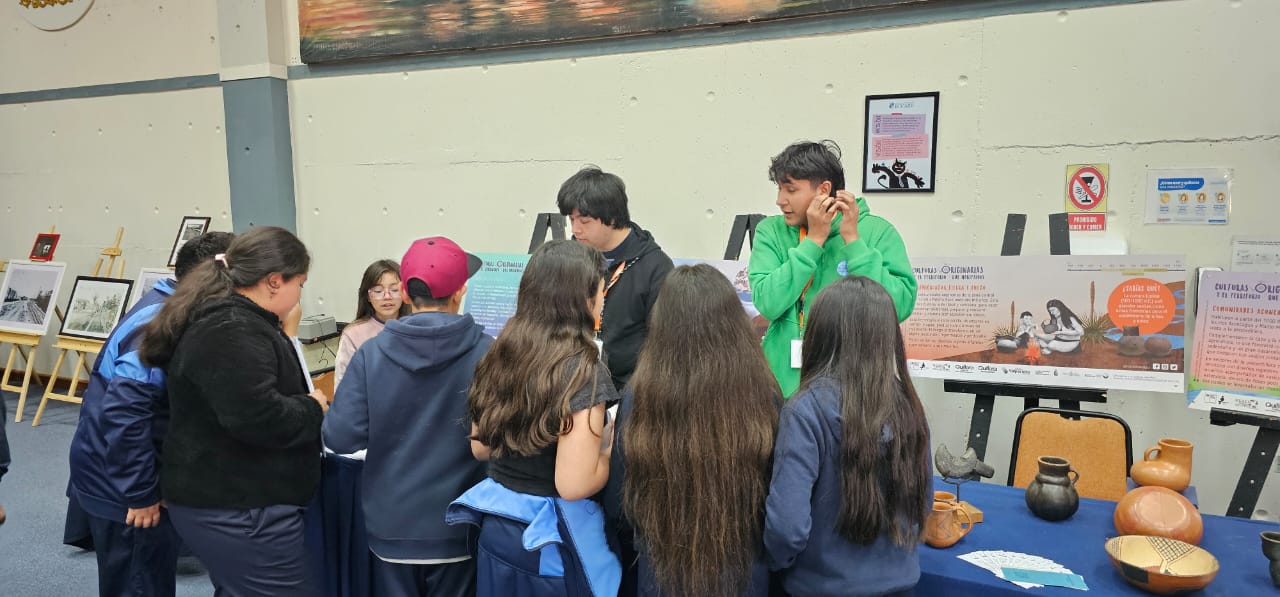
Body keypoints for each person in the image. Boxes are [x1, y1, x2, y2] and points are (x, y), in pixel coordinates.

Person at [139, 226, 329, 597]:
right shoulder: (231, 329)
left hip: (233, 502)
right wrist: (311, 406)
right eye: (300, 284)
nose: (301, 294)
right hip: (240, 508)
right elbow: (258, 417)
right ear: (274, 281)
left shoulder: (236, 320)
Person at [447, 240, 620, 597]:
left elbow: (481, 447)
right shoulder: (582, 370)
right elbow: (573, 483)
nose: (603, 300)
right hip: (549, 540)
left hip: (496, 528)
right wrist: (612, 448)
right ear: (584, 299)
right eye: (601, 291)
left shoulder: (500, 350)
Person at [65, 231, 233, 596]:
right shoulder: (160, 321)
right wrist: (140, 493)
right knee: (139, 584)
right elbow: (125, 415)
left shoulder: (172, 305)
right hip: (124, 487)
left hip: (127, 475)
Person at [323, 237, 491, 597]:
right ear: (461, 291)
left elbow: (339, 438)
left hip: (390, 526)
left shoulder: (370, 353)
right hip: (461, 525)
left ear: (404, 292)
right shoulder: (489, 353)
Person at [604, 264, 780, 597]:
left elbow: (619, 504)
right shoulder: (764, 397)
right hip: (745, 574)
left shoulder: (638, 398)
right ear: (735, 324)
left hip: (660, 572)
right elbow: (778, 497)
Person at [765, 276, 931, 596]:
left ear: (820, 334)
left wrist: (777, 564)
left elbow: (787, 528)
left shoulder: (805, 410)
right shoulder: (908, 406)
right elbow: (921, 507)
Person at [748, 140, 918, 397]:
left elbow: (899, 307)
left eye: (790, 190)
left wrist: (853, 242)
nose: (780, 201)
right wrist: (813, 242)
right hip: (781, 389)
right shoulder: (771, 232)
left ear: (823, 190)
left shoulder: (877, 232)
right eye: (779, 189)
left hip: (854, 394)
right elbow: (768, 302)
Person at [556, 166, 674, 391]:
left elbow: (661, 345)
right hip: (574, 385)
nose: (575, 229)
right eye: (571, 220)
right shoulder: (572, 259)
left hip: (631, 392)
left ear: (610, 218)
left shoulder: (655, 267)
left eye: (584, 221)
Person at [335, 259, 410, 389]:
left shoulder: (415, 328)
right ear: (368, 296)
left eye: (394, 289)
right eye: (378, 291)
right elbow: (343, 388)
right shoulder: (353, 334)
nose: (387, 296)